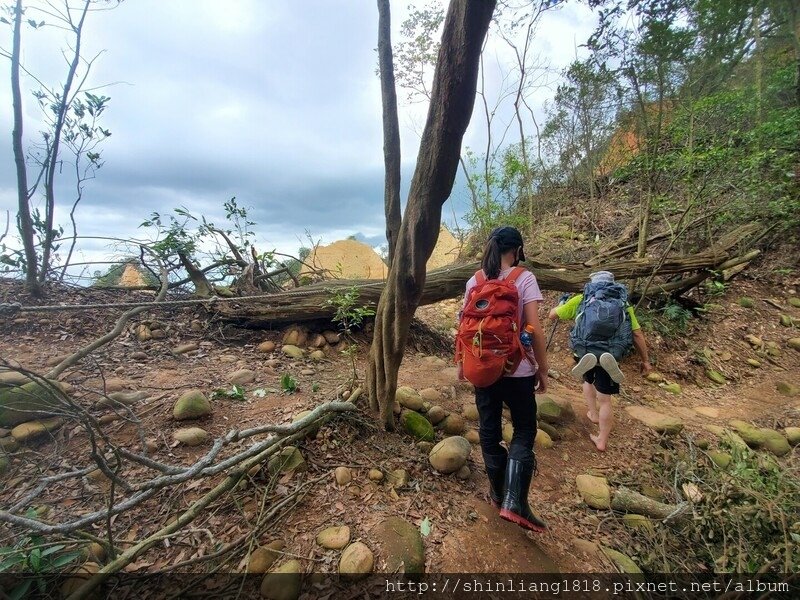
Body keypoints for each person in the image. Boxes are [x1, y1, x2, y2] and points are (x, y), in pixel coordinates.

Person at [460, 226, 549, 532]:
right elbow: (533, 327)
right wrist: (542, 368)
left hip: (482, 368)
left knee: (488, 429)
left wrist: (464, 365)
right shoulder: (523, 278)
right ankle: (515, 500)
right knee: (524, 428)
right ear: (518, 250)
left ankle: (498, 494)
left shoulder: (475, 280)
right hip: (517, 368)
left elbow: (463, 327)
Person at [548, 271, 652, 452]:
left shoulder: (582, 299)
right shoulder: (622, 304)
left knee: (588, 380)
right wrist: (646, 361)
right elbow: (636, 334)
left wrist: (561, 305)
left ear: (592, 284)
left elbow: (552, 315)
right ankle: (602, 440)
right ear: (613, 285)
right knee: (605, 399)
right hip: (611, 352)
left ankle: (593, 414)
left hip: (586, 349)